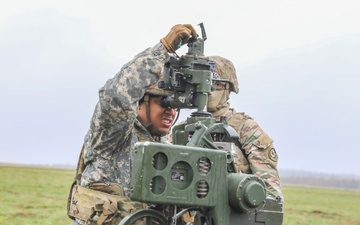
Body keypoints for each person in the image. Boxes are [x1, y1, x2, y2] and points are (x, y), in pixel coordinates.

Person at [67, 24, 198, 225]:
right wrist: (162, 51)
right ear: (139, 102)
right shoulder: (114, 136)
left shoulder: (168, 145)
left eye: (175, 105)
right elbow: (116, 96)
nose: (170, 111)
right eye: (162, 102)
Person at [207, 55, 283, 201]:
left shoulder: (244, 128)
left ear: (228, 88)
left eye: (216, 84)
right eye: (205, 83)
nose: (209, 90)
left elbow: (270, 191)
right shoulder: (183, 129)